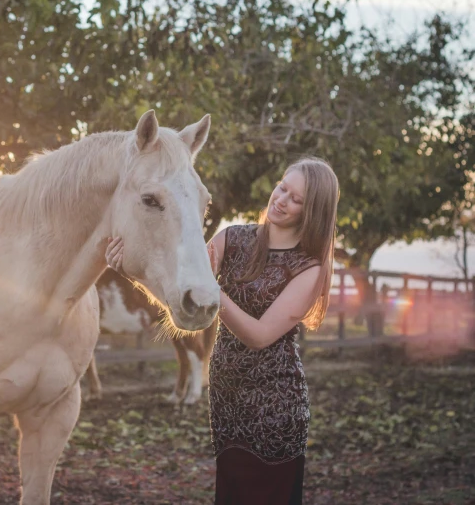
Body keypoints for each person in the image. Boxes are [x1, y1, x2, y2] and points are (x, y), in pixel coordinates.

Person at [106, 156, 339, 505]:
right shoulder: (232, 238)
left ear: (313, 211)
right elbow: (181, 292)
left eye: (296, 199)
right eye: (282, 187)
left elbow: (259, 335)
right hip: (227, 404)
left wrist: (215, 292)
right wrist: (129, 273)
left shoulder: (308, 268)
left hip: (275, 410)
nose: (281, 199)